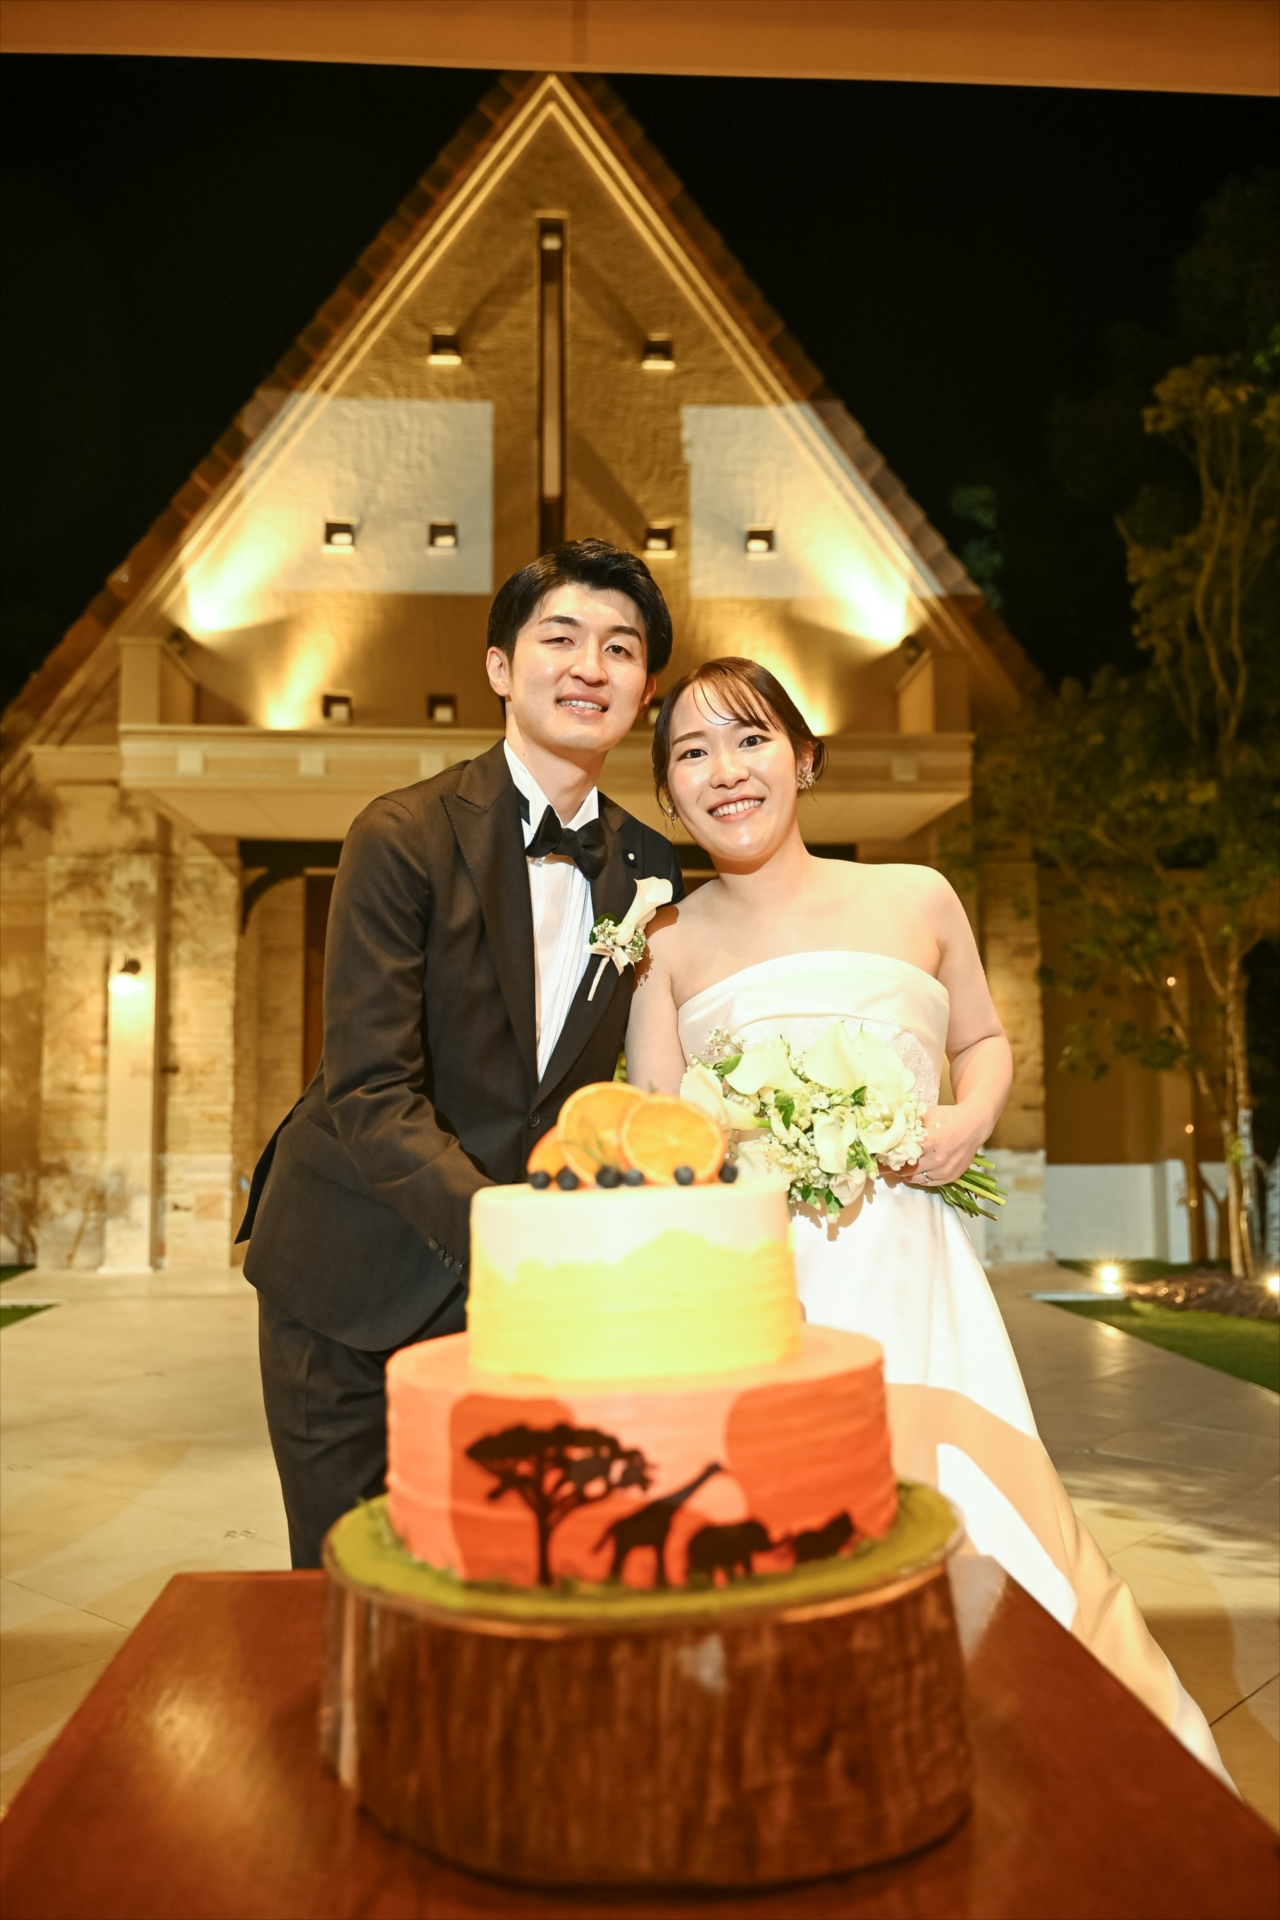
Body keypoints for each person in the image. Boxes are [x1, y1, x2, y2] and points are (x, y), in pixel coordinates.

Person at [625, 654, 1229, 1783]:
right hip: (758, 1305)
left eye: (750, 739)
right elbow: (659, 1142)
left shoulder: (915, 897)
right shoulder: (663, 943)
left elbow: (982, 1040)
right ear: (667, 795)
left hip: (917, 1279)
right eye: (691, 753)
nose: (726, 770)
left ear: (804, 758)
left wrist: (968, 1119)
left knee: (987, 1523)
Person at [239, 539, 684, 1568]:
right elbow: (369, 1088)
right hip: (350, 1269)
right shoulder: (400, 834)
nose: (589, 666)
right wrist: (508, 1235)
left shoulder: (649, 864)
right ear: (499, 668)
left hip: (509, 1298)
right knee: (349, 1579)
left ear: (644, 690)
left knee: (489, 1570)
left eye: (619, 648)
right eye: (559, 638)